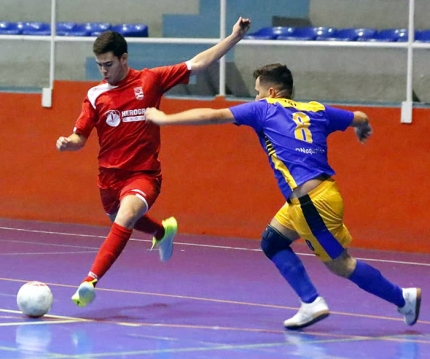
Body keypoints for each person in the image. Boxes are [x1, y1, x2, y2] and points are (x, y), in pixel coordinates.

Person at [145, 63, 421, 329]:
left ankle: (402, 298)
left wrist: (165, 119)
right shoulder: (315, 110)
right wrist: (363, 126)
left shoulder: (264, 109)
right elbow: (359, 117)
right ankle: (310, 301)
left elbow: (213, 115)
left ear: (273, 92)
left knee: (341, 264)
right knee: (273, 241)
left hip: (310, 203)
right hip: (316, 195)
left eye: (258, 91)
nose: (256, 96)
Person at [55, 17, 251, 307]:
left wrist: (234, 37)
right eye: (99, 65)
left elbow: (197, 64)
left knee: (124, 217)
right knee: (121, 217)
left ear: (124, 58)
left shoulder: (150, 80)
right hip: (108, 178)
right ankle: (162, 231)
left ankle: (90, 280)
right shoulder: (95, 95)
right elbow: (80, 136)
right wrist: (68, 143)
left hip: (143, 175)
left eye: (108, 64)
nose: (103, 71)